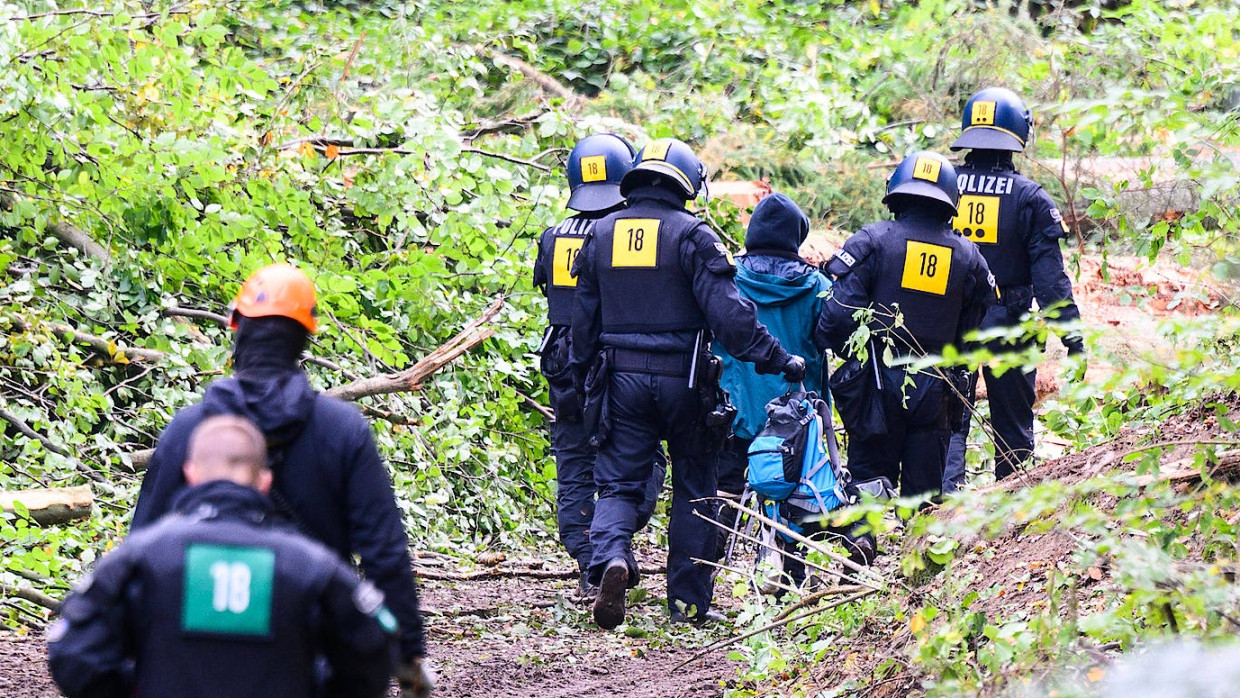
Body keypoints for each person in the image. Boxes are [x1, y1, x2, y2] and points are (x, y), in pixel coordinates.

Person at [130, 264, 432, 697]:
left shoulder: (189, 431)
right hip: (305, 657)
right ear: (305, 337)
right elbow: (383, 553)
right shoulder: (342, 431)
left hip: (193, 655)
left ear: (236, 328)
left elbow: (142, 547)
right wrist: (408, 652)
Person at [571, 137, 806, 629]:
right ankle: (687, 605)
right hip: (686, 380)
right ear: (686, 184)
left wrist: (585, 383)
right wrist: (779, 360)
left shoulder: (600, 233)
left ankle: (611, 558)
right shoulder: (693, 236)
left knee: (617, 482)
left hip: (619, 380)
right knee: (695, 489)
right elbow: (731, 318)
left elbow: (582, 326)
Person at [48, 415, 395, 698]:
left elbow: (72, 654)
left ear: (190, 474)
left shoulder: (139, 557)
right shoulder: (313, 565)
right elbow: (374, 650)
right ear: (264, 482)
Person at [817, 151, 996, 533]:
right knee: (925, 495)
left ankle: (862, 544)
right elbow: (973, 329)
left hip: (876, 379)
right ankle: (920, 557)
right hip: (936, 385)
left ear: (896, 192)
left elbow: (835, 317)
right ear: (951, 202)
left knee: (868, 474)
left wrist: (855, 358)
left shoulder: (872, 241)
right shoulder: (970, 257)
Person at [533, 134, 667, 598]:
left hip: (563, 363)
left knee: (573, 458)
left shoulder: (551, 237)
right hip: (615, 361)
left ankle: (592, 558)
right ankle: (613, 545)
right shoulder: (623, 235)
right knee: (640, 455)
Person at [943, 87, 1085, 491]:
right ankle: (1011, 510)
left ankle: (941, 510)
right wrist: (1072, 337)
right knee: (1013, 427)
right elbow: (1050, 281)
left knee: (948, 420)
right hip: (1010, 321)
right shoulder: (1029, 198)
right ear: (1018, 134)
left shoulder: (942, 185)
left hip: (950, 319)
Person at [710, 193, 838, 577]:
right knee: (794, 493)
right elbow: (832, 337)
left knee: (724, 490)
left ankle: (704, 574)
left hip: (734, 410)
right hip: (795, 419)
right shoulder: (816, 287)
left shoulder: (728, 280)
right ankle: (789, 579)